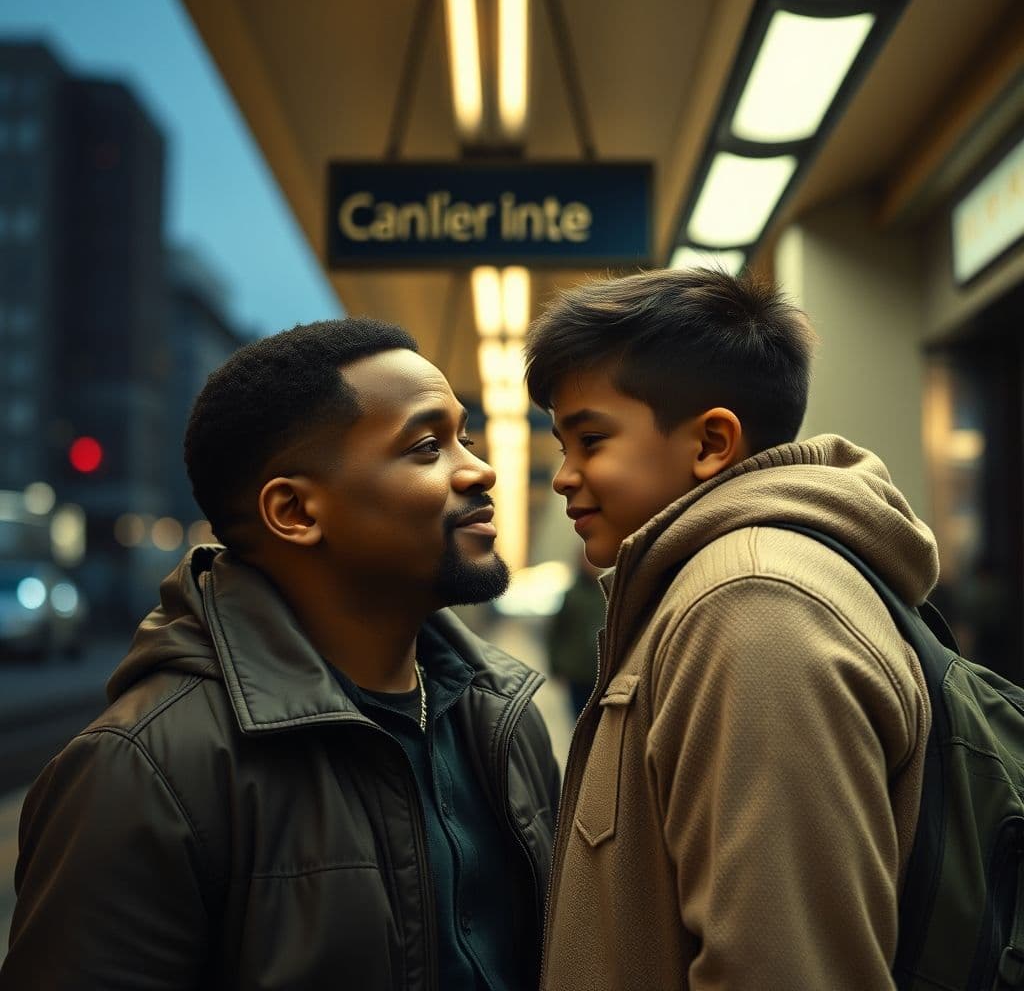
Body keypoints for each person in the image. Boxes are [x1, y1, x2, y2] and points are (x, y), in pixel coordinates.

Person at [1, 319, 561, 991]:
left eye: (462, 438)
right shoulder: (143, 770)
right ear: (295, 511)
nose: (480, 468)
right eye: (425, 447)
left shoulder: (501, 717)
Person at [524, 268, 937, 990]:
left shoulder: (753, 608)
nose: (562, 476)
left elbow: (786, 967)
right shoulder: (718, 590)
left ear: (712, 443)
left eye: (589, 440)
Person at [544, 551, 603, 718]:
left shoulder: (607, 591)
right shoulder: (572, 595)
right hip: (576, 672)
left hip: (599, 670)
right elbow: (556, 632)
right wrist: (555, 666)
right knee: (579, 718)